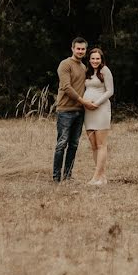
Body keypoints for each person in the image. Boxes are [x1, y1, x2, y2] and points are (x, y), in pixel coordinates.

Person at [52, 38, 97, 182]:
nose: (80, 51)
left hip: (80, 111)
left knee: (74, 144)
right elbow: (66, 87)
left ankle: (68, 175)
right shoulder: (65, 64)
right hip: (65, 110)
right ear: (72, 48)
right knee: (62, 144)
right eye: (78, 48)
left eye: (83, 49)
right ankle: (56, 177)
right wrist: (83, 101)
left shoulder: (84, 67)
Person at [82, 48, 114, 185]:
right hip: (88, 112)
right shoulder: (87, 72)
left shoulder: (105, 70)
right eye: (93, 58)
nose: (95, 61)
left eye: (97, 58)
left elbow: (110, 91)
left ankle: (96, 177)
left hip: (101, 109)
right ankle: (102, 177)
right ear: (89, 60)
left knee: (101, 144)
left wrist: (97, 103)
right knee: (94, 145)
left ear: (101, 59)